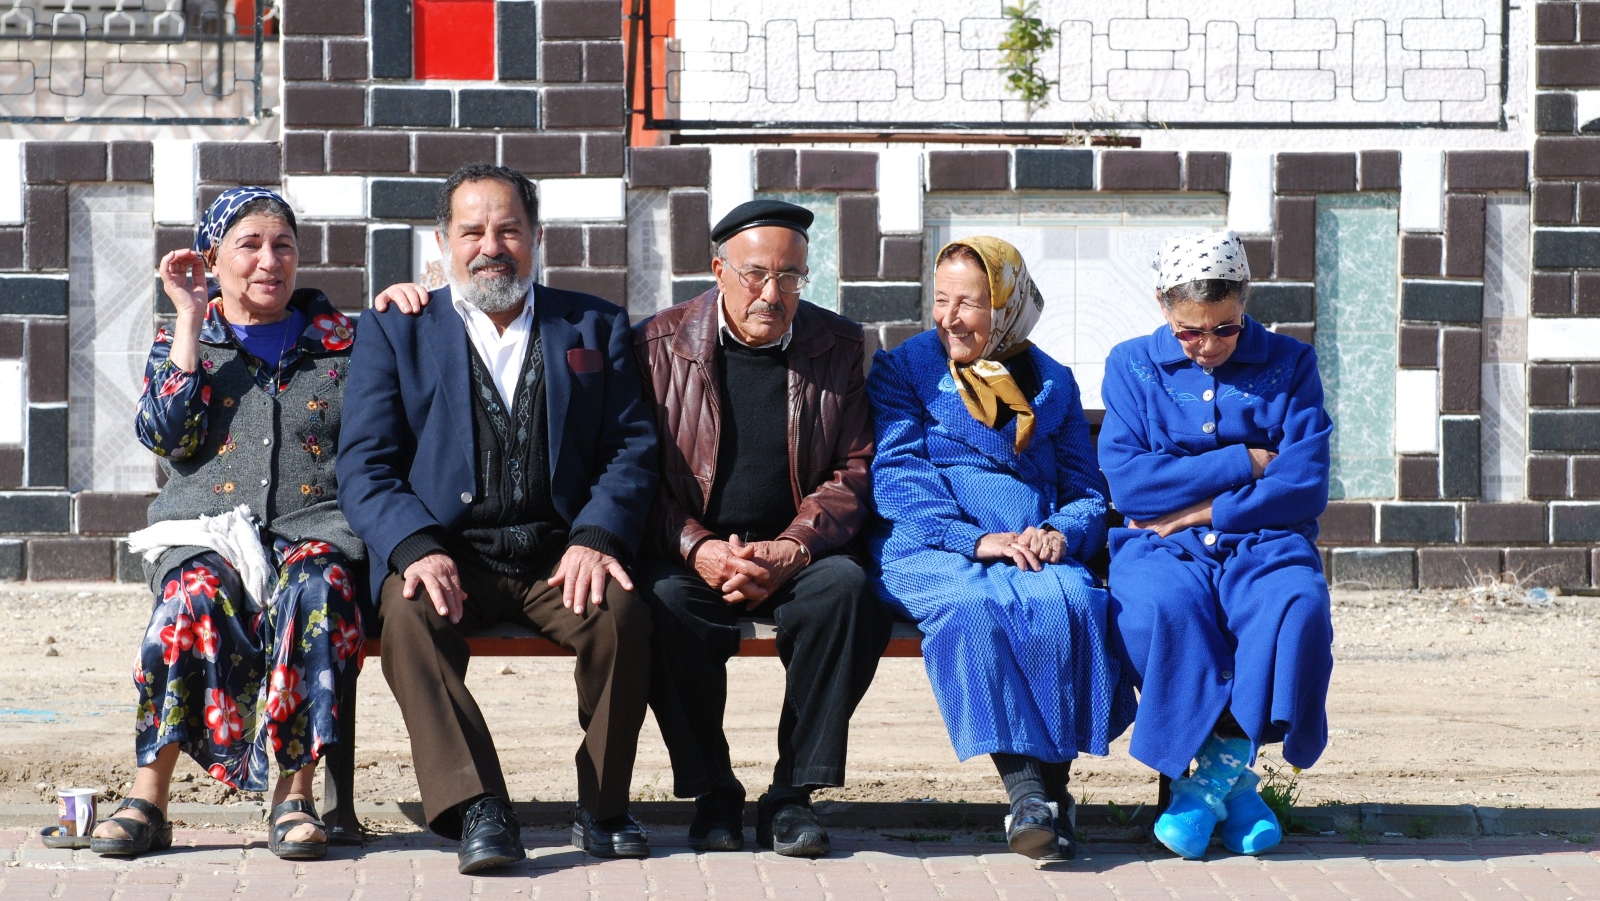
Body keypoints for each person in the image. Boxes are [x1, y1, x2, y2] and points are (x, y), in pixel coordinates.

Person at [340, 164, 659, 873]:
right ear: (442, 242)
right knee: (408, 615)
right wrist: (415, 546)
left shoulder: (594, 323)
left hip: (558, 555)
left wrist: (596, 537)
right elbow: (364, 463)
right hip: (451, 556)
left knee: (621, 613)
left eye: (509, 229)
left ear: (537, 237)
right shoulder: (396, 328)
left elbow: (630, 447)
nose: (491, 247)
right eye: (472, 231)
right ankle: (479, 805)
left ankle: (604, 806)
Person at [97, 187, 410, 860]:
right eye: (250, 246)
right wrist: (188, 317)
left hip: (314, 528)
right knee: (189, 600)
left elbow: (407, 399)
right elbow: (166, 435)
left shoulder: (346, 342)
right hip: (206, 532)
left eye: (283, 245)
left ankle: (294, 797)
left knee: (319, 590)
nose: (270, 260)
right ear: (213, 259)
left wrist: (410, 306)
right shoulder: (185, 341)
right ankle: (149, 798)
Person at [631, 199, 890, 858]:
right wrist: (697, 546)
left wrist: (794, 547)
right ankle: (714, 791)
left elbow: (855, 468)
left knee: (848, 593)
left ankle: (791, 794)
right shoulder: (657, 345)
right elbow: (636, 474)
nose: (772, 294)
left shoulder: (837, 344)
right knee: (657, 604)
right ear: (719, 269)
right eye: (755, 275)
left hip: (797, 549)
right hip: (692, 552)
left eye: (790, 277)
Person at [867, 236, 1134, 861]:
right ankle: (1031, 797)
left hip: (1031, 546)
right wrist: (974, 539)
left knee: (1074, 601)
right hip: (932, 543)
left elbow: (1086, 489)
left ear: (1007, 306)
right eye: (940, 300)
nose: (950, 318)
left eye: (969, 303)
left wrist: (1059, 532)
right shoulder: (905, 369)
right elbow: (899, 473)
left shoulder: (1053, 382)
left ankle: (1048, 800)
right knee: (974, 610)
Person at [1099, 229, 1334, 860]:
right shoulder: (1131, 364)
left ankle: (1204, 787)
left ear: (1245, 301)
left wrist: (1206, 509)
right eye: (1189, 331)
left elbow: (1304, 482)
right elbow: (1131, 482)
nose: (1207, 345)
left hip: (1265, 539)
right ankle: (1231, 786)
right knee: (1156, 608)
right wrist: (1244, 461)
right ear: (1162, 306)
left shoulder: (1291, 362)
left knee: (1296, 603)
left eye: (1225, 328)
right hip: (1160, 547)